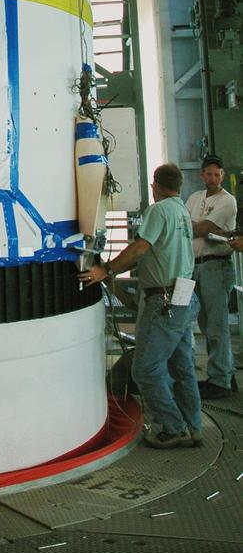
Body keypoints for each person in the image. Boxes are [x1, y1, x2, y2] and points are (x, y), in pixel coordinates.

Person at [79, 163, 201, 448]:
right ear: (179, 185)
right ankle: (194, 427)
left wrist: (105, 270)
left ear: (154, 185)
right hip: (184, 297)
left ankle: (172, 427)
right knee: (182, 367)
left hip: (164, 301)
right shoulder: (181, 210)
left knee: (145, 369)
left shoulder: (158, 210)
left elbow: (140, 248)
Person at [185, 154, 238, 399]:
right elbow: (186, 225)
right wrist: (197, 227)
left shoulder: (227, 200)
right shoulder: (194, 198)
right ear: (202, 174)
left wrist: (197, 226)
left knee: (216, 325)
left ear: (222, 176)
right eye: (209, 174)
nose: (213, 178)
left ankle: (221, 380)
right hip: (196, 265)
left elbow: (199, 228)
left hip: (216, 266)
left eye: (217, 175)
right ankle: (223, 373)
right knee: (206, 323)